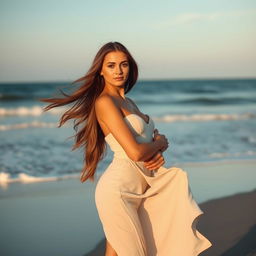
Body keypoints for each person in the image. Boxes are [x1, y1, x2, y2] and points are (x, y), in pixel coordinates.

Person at [40, 42, 212, 256]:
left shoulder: (129, 102)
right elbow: (136, 153)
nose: (119, 71)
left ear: (131, 67)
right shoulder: (104, 102)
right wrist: (159, 144)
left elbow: (144, 140)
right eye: (111, 65)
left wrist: (157, 145)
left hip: (143, 189)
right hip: (119, 191)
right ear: (101, 70)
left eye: (124, 64)